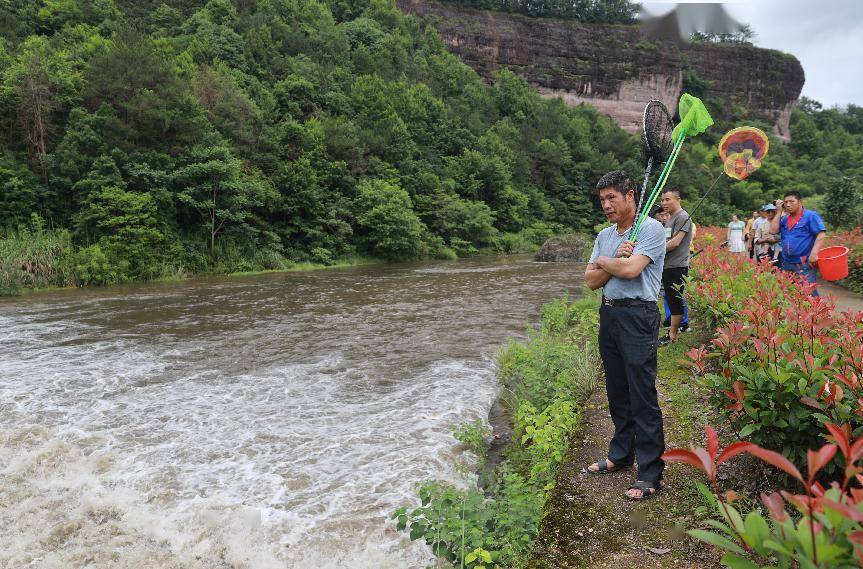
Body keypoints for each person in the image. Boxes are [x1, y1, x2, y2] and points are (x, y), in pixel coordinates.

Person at [583, 170, 666, 501]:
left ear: (630, 196)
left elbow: (632, 271)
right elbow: (591, 282)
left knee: (641, 392)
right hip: (610, 313)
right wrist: (613, 258)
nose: (606, 205)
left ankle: (650, 472)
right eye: (602, 200)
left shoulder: (651, 229)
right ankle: (620, 454)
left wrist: (607, 262)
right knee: (617, 390)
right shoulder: (605, 235)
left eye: (612, 198)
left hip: (639, 315)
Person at [769, 191, 826, 295]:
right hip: (787, 263)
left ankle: (817, 311)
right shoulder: (784, 219)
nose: (788, 204)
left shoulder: (810, 216)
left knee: (808, 294)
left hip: (803, 264)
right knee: (788, 294)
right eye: (786, 202)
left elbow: (821, 234)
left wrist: (814, 254)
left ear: (800, 202)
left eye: (792, 201)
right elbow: (772, 231)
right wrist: (778, 211)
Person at [659, 188, 692, 345]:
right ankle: (672, 332)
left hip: (677, 266)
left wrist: (653, 250)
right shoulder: (671, 218)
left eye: (667, 199)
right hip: (667, 265)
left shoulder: (683, 217)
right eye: (662, 200)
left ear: (677, 199)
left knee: (675, 300)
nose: (664, 203)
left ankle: (673, 335)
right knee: (670, 299)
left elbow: (675, 242)